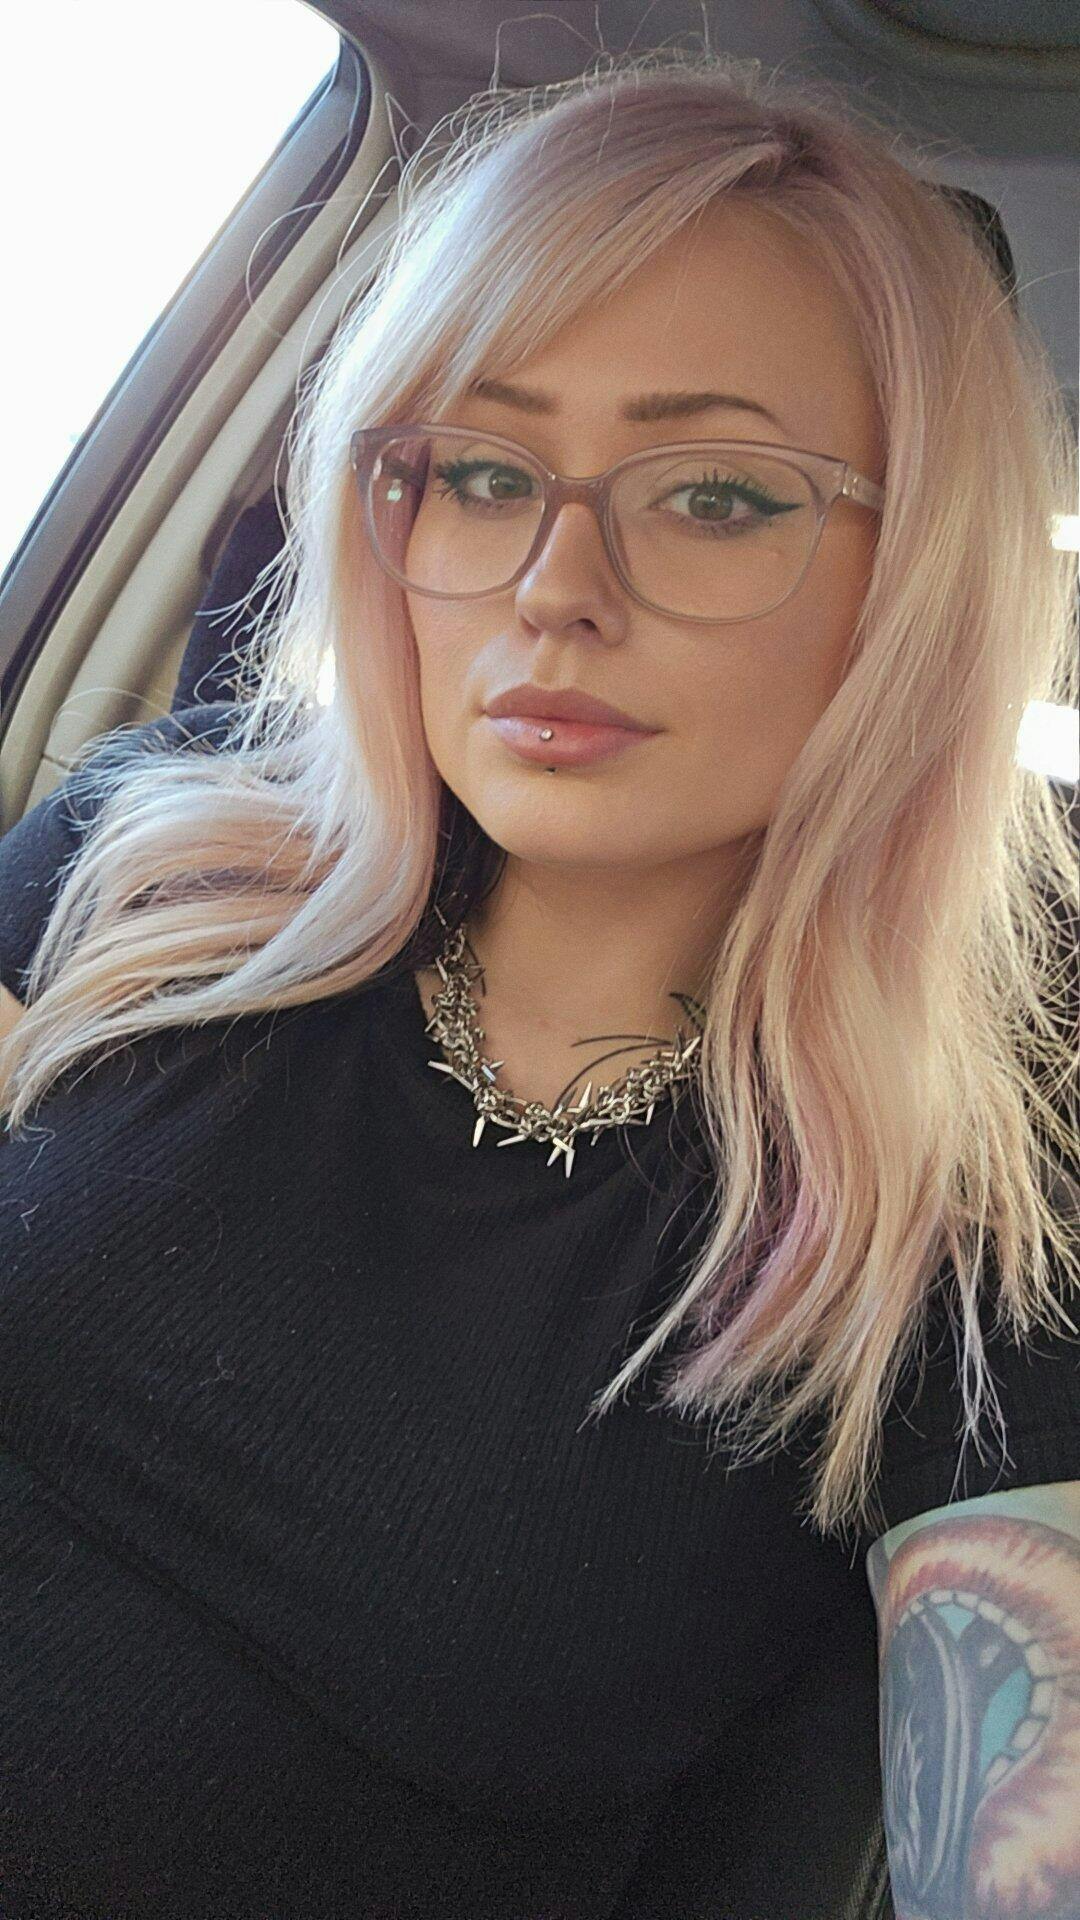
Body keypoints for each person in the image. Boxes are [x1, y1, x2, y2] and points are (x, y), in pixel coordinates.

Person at [1, 45, 1077, 1920]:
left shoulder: (969, 1186)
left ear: (916, 579)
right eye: (485, 475)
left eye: (715, 495)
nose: (552, 588)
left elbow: (1027, 1825)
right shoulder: (162, 851)